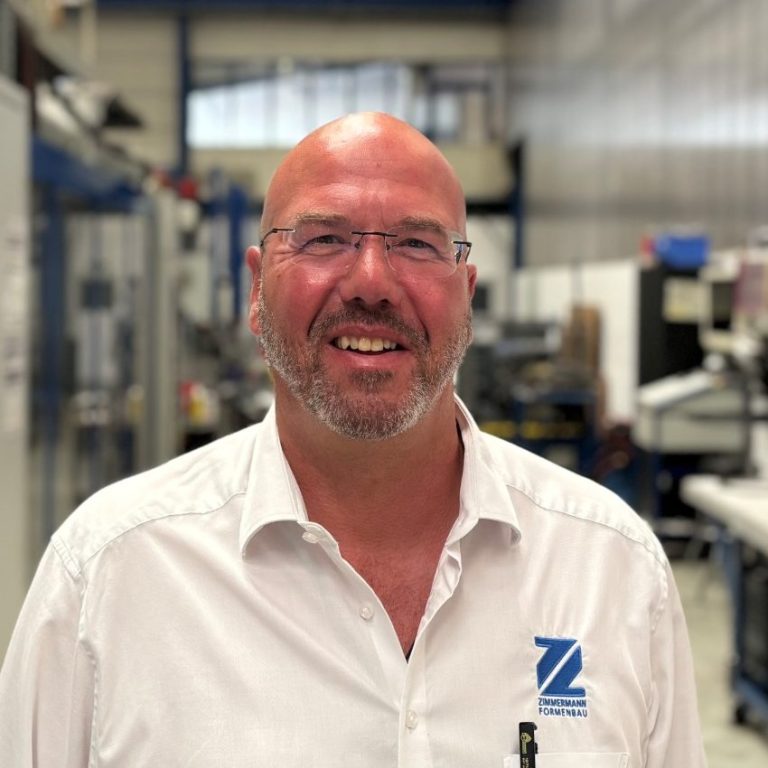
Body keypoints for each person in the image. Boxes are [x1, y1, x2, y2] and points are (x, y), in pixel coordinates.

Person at [0, 112, 706, 767]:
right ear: (255, 290)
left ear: (466, 292)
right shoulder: (108, 577)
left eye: (417, 244)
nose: (372, 283)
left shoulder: (611, 570)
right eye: (324, 239)